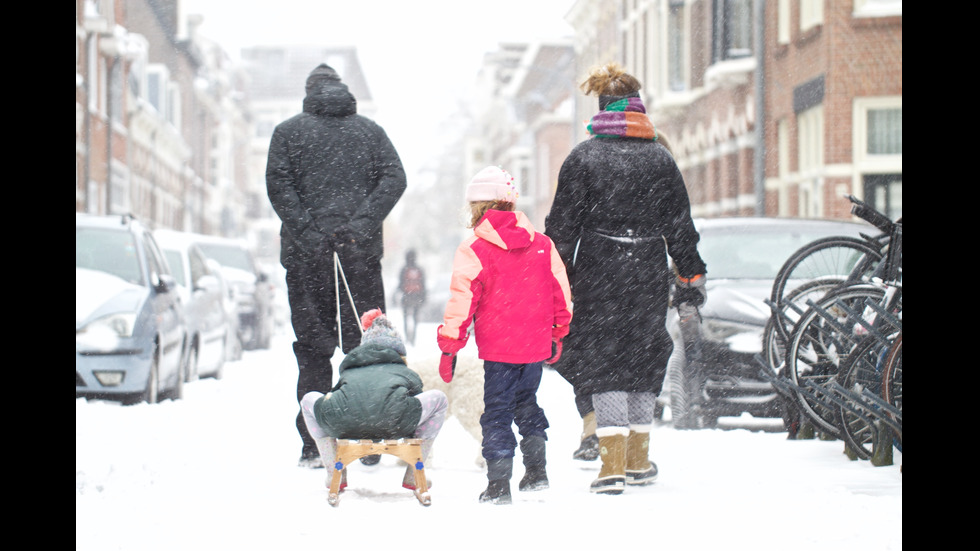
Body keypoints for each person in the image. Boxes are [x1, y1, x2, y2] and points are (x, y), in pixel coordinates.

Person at [544, 63, 707, 495]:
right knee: (642, 356)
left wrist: (559, 279)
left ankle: (610, 465)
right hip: (648, 270)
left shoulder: (584, 157)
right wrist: (690, 276)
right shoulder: (661, 159)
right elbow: (680, 226)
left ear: (601, 109)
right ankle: (637, 458)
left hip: (598, 270)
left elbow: (561, 229)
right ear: (638, 108)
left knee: (603, 361)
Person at [266, 63, 407, 468]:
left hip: (305, 259)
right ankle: (368, 431)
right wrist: (359, 227)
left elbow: (279, 185)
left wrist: (309, 233)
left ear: (309, 94)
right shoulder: (370, 132)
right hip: (359, 258)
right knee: (365, 345)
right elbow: (394, 179)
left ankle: (315, 442)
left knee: (312, 352)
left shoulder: (288, 133)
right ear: (344, 93)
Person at [436, 166, 573, 505]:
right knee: (526, 402)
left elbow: (462, 301)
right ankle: (537, 470)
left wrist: (450, 346)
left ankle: (499, 483)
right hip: (534, 345)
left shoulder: (474, 250)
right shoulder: (542, 244)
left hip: (499, 348)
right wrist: (558, 331)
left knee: (497, 411)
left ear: (478, 207)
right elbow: (561, 291)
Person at [300, 309, 449, 491]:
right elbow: (417, 395)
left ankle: (333, 472)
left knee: (308, 399)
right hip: (395, 423)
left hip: (345, 422)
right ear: (398, 351)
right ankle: (414, 471)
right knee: (439, 399)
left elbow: (336, 393)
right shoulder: (404, 371)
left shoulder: (349, 369)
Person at [397, 249, 426, 345]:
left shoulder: (404, 269)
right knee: (414, 318)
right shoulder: (419, 269)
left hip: (406, 296)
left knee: (406, 318)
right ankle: (413, 337)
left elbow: (400, 284)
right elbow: (423, 284)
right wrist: (423, 296)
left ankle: (407, 336)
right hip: (417, 297)